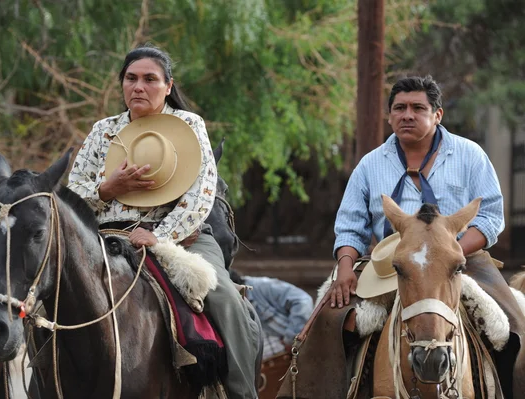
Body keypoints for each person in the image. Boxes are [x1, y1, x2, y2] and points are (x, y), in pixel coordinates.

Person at [278, 75, 525, 399]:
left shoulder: (470, 155)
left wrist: (446, 254)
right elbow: (351, 225)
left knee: (513, 326)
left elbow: (491, 216)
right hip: (385, 262)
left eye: (417, 108)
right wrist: (346, 268)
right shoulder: (370, 164)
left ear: (437, 115)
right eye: (399, 108)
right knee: (329, 320)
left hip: (462, 258)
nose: (407, 114)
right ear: (390, 115)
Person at [68, 45, 260, 399]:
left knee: (226, 300)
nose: (138, 87)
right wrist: (109, 189)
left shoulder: (189, 126)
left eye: (149, 79)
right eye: (131, 79)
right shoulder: (102, 131)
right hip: (105, 238)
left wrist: (159, 237)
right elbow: (73, 196)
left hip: (181, 238)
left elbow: (200, 195)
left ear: (168, 86)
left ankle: (241, 393)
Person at [229, 269, 313, 359]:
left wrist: (291, 340)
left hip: (294, 352)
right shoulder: (231, 309)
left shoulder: (263, 287)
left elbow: (303, 301)